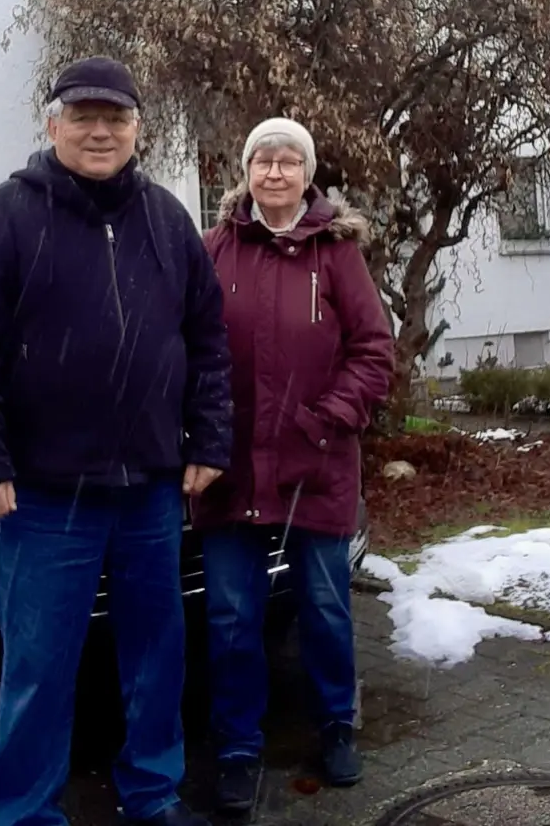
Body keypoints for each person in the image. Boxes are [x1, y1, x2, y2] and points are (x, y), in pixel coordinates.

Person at [0, 56, 233, 826]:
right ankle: (28, 813)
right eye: (84, 115)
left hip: (150, 492)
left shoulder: (167, 221)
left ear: (138, 128)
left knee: (155, 658)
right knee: (39, 665)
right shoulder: (6, 215)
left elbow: (207, 341)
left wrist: (209, 439)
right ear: (53, 123)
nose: (100, 131)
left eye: (116, 118)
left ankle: (153, 794)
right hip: (43, 495)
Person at [191, 117, 394, 815]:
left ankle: (336, 724)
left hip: (317, 463)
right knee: (231, 617)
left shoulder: (336, 255)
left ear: (308, 176)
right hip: (232, 466)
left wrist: (326, 418)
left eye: (288, 162)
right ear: (245, 173)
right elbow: (186, 347)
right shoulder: (214, 249)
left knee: (326, 609)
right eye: (262, 161)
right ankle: (239, 746)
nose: (274, 172)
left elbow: (374, 351)